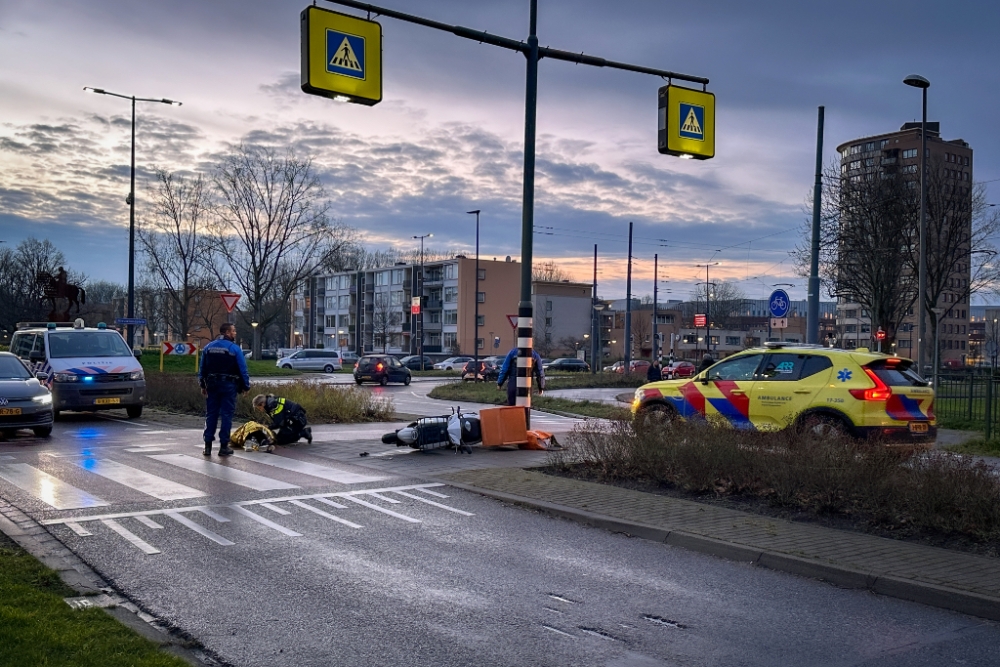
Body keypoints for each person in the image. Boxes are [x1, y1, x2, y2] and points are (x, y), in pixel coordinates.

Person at [199, 323, 250, 456]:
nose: (235, 333)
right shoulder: (234, 349)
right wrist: (246, 386)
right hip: (229, 385)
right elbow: (243, 369)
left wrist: (202, 385)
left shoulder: (208, 347)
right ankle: (223, 447)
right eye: (233, 331)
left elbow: (202, 368)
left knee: (211, 414)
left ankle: (208, 446)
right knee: (226, 415)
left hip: (212, 384)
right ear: (227, 332)